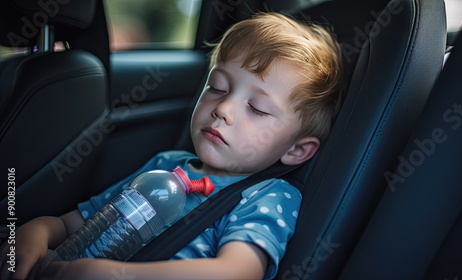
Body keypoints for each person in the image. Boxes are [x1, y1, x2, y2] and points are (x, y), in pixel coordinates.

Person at [0, 12, 343, 280]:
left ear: (296, 151)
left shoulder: (267, 195)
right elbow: (78, 222)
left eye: (257, 109)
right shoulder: (166, 165)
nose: (222, 109)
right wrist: (34, 231)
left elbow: (236, 272)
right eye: (218, 87)